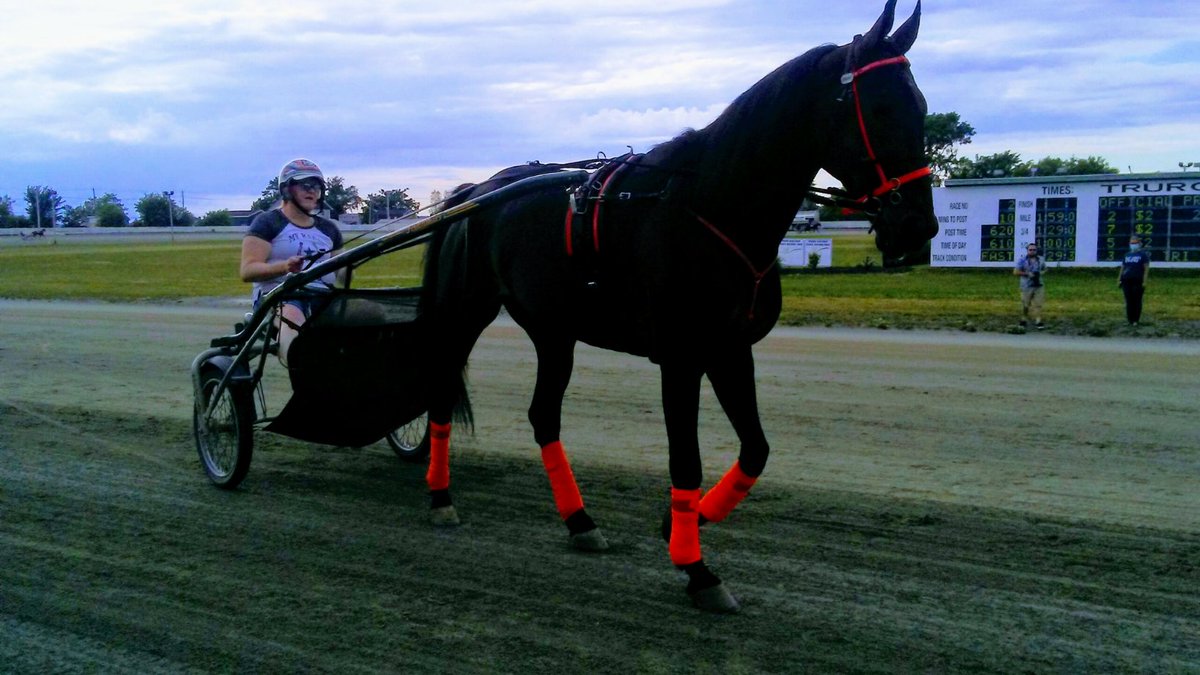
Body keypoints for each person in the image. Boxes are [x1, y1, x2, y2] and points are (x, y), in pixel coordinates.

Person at [240, 158, 345, 365]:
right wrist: (285, 267)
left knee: (370, 313)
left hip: (322, 296)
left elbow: (342, 273)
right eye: (305, 185)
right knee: (293, 316)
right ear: (287, 190)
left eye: (317, 186)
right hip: (278, 295)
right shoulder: (268, 222)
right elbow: (247, 270)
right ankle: (303, 374)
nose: (312, 191)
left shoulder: (329, 229)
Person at [1118, 233, 1150, 326]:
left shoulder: (1143, 255)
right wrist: (1119, 279)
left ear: (1139, 243)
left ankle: (1136, 320)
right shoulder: (1127, 255)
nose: (1133, 244)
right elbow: (1122, 267)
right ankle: (1130, 320)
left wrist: (1144, 281)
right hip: (1126, 280)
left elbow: (1146, 269)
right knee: (1129, 300)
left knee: (1137, 300)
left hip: (1138, 280)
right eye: (1131, 242)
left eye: (1135, 242)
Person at [1013, 241, 1046, 330]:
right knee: (1025, 304)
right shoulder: (1022, 260)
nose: (1032, 251)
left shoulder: (1041, 259)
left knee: (1038, 304)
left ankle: (1038, 321)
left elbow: (1045, 269)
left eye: (1034, 250)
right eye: (1030, 250)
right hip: (1026, 286)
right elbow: (1015, 272)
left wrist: (1040, 273)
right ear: (1027, 250)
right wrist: (1027, 274)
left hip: (1038, 285)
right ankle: (1024, 319)